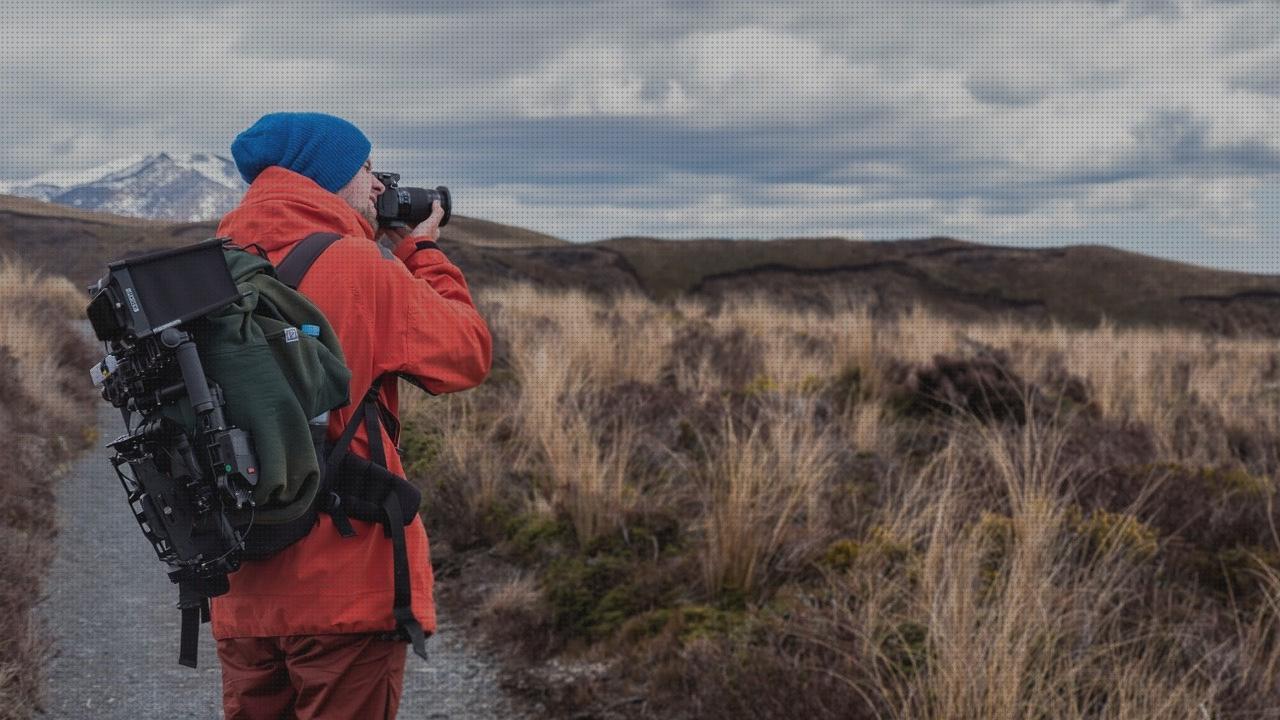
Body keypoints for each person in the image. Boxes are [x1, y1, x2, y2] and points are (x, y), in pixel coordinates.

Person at [211, 112, 493, 718]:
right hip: (343, 579)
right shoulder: (360, 267)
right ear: (327, 175)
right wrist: (421, 251)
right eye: (364, 168)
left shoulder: (213, 268)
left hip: (242, 584)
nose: (376, 185)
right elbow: (467, 355)